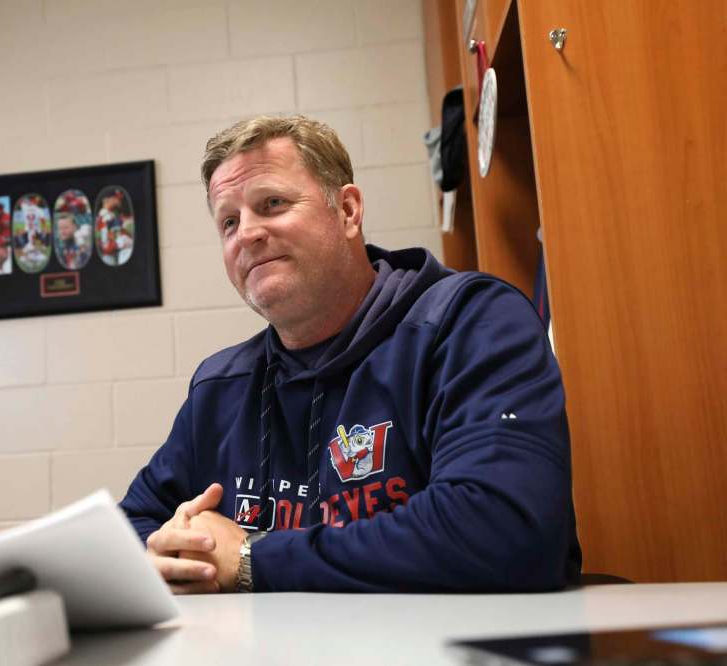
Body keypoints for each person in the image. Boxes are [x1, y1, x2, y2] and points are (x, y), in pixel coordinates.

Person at [119, 115, 581, 594]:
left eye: (272, 203)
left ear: (348, 211)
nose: (247, 234)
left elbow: (502, 531)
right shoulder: (221, 386)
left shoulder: (472, 323)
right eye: (229, 222)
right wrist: (166, 558)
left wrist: (252, 556)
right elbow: (130, 528)